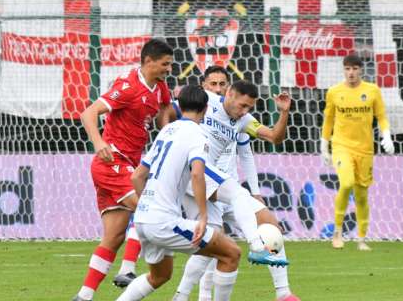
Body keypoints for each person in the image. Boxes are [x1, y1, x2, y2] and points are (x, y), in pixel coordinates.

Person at [171, 74, 298, 301]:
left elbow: (275, 138)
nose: (243, 111)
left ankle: (284, 293)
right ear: (229, 93)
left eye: (248, 107)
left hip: (219, 181)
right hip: (194, 173)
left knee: (267, 223)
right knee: (236, 199)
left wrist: (284, 112)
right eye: (242, 105)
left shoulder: (244, 121)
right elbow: (171, 107)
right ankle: (256, 245)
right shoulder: (206, 101)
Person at [116, 85, 243, 301]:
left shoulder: (167, 130)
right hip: (163, 222)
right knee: (231, 253)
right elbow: (197, 175)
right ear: (204, 110)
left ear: (180, 106)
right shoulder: (198, 135)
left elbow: (137, 176)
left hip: (143, 220)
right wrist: (203, 217)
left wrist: (147, 206)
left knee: (160, 276)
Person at [72, 38, 174, 301]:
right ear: (148, 61)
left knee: (114, 236)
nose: (168, 69)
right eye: (165, 64)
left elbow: (163, 111)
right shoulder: (128, 87)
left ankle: (83, 296)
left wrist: (170, 129)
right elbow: (88, 113)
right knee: (147, 207)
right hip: (112, 162)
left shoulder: (161, 88)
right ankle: (128, 269)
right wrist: (99, 142)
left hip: (130, 164)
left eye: (170, 64)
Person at [320, 54, 394, 251]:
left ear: (361, 69)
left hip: (365, 149)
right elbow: (328, 120)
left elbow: (381, 117)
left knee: (361, 195)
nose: (351, 73)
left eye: (354, 68)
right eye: (347, 69)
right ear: (343, 70)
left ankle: (361, 238)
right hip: (341, 146)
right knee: (346, 183)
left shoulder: (372, 91)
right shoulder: (335, 92)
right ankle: (337, 231)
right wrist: (323, 146)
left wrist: (386, 135)